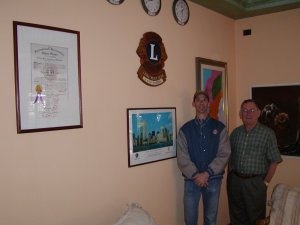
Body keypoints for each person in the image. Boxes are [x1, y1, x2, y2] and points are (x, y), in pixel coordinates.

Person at [177, 91, 231, 225]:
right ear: (193, 103)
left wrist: (207, 173)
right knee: (190, 219)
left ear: (208, 103)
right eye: (198, 100)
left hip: (213, 180)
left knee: (210, 220)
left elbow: (224, 153)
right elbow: (182, 156)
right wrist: (196, 175)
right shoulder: (185, 129)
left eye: (204, 100)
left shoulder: (220, 128)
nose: (201, 103)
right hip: (191, 180)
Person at [227, 99, 283, 225]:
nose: (248, 113)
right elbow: (230, 157)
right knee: (236, 216)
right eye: (245, 110)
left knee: (255, 219)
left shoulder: (268, 134)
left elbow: (274, 161)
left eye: (252, 110)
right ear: (241, 114)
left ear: (258, 113)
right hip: (235, 182)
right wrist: (231, 177)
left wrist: (265, 183)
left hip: (255, 184)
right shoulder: (235, 133)